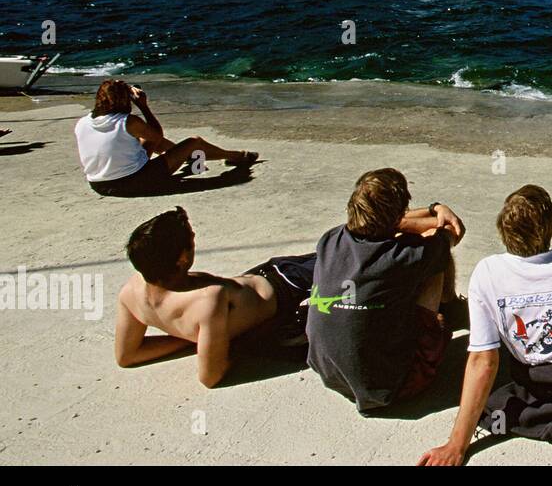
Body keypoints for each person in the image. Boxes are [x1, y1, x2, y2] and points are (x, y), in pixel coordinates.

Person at [418, 185, 552, 465]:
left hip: (538, 379)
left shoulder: (487, 273)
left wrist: (457, 443)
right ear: (550, 228)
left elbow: (483, 360)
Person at [307, 169, 464, 415]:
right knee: (436, 255)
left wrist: (434, 208)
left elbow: (393, 223)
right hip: (392, 387)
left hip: (330, 373)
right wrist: (438, 215)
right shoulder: (404, 257)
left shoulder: (329, 239)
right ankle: (450, 308)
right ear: (397, 215)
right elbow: (452, 232)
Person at [114, 206, 316, 388]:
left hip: (265, 278)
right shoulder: (208, 300)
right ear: (183, 258)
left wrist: (199, 340)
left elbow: (127, 355)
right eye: (192, 241)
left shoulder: (130, 292)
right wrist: (210, 342)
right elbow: (210, 377)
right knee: (342, 254)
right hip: (288, 286)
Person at [74, 79, 257, 196]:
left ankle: (192, 159)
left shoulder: (82, 122)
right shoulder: (128, 121)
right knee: (194, 142)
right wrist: (144, 106)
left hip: (99, 184)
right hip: (133, 183)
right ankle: (235, 156)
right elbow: (157, 135)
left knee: (143, 140)